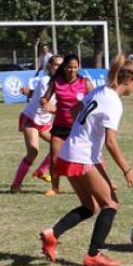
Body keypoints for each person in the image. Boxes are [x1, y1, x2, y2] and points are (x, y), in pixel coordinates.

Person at [39, 55, 133, 266]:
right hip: (82, 156)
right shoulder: (114, 102)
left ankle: (52, 234)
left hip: (69, 152)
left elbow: (76, 110)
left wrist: (83, 131)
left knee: (89, 206)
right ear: (129, 79)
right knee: (110, 204)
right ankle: (93, 255)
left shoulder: (98, 91)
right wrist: (127, 170)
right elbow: (111, 142)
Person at [41, 54, 93, 196]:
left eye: (75, 67)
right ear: (64, 68)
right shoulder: (56, 82)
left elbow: (95, 100)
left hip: (79, 128)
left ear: (79, 67)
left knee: (86, 158)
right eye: (69, 67)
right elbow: (44, 98)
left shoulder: (85, 83)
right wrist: (46, 104)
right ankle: (55, 187)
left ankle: (99, 183)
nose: (72, 70)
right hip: (59, 127)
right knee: (54, 159)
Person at [10, 55, 62, 193]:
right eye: (56, 65)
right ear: (50, 66)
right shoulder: (46, 80)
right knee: (33, 151)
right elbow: (45, 103)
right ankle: (16, 185)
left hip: (44, 122)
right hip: (31, 119)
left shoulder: (63, 82)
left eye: (61, 65)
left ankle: (41, 171)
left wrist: (30, 92)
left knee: (59, 145)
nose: (59, 68)